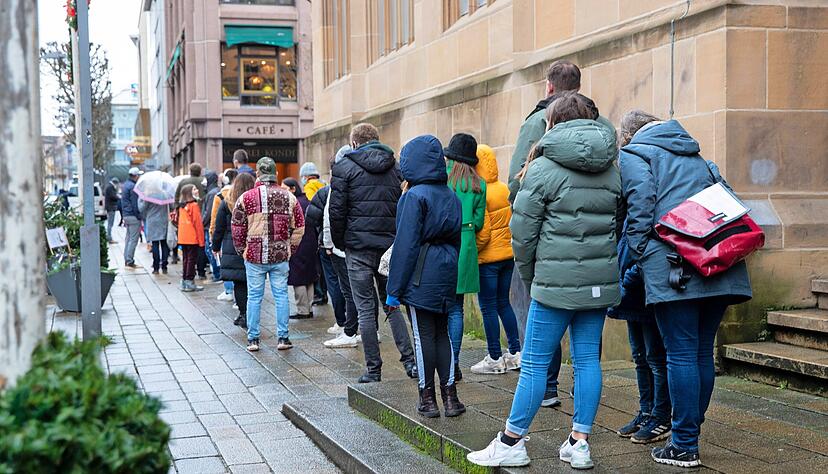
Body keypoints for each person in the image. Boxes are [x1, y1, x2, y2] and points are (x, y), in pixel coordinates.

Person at [468, 92, 621, 469]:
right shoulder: (612, 167)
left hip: (554, 281)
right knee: (587, 361)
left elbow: (522, 233)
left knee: (535, 364)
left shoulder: (541, 167)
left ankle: (511, 441)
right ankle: (579, 442)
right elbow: (618, 222)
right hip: (598, 282)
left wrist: (532, 277)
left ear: (552, 123)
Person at [618, 110, 752, 468]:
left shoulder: (634, 155)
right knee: (700, 353)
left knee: (680, 353)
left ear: (628, 136)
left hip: (675, 269)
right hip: (721, 266)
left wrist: (642, 253)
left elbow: (639, 208)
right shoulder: (696, 157)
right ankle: (688, 432)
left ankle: (684, 443)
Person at [329, 123, 417, 383]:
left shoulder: (344, 168)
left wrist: (341, 243)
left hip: (357, 247)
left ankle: (373, 369)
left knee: (365, 309)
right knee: (391, 305)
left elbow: (337, 211)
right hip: (389, 246)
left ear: (354, 143)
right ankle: (410, 362)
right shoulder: (397, 168)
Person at [386, 135, 463, 418]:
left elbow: (405, 247)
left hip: (421, 272)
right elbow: (457, 240)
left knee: (422, 336)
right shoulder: (451, 195)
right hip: (446, 270)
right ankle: (451, 398)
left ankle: (427, 398)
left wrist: (394, 290)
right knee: (443, 335)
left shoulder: (413, 197)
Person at [232, 157, 305, 353]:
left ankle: (253, 340)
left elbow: (237, 227)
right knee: (281, 295)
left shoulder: (245, 198)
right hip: (280, 255)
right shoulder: (289, 197)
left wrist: (242, 250)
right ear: (276, 174)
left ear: (258, 174)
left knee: (254, 296)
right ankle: (283, 337)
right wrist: (291, 248)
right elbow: (299, 226)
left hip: (254, 256)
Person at [608, 221, 671, 444]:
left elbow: (653, 244)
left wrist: (630, 276)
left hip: (645, 288)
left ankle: (661, 417)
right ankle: (646, 413)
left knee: (655, 358)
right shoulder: (634, 197)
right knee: (640, 357)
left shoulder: (650, 194)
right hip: (630, 293)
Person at [470, 145, 521, 375]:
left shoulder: (480, 191)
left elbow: (484, 233)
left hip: (488, 259)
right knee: (504, 303)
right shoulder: (503, 188)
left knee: (488, 307)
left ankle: (494, 357)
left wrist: (476, 253)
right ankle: (515, 353)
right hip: (507, 256)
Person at [444, 133, 486, 381]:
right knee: (457, 308)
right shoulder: (479, 184)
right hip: (467, 243)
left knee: (442, 307)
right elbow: (479, 222)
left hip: (444, 241)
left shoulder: (443, 177)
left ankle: (441, 360)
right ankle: (455, 362)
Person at [305, 149, 355, 343]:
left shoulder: (330, 189)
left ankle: (345, 325)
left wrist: (327, 243)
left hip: (336, 245)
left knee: (341, 286)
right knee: (363, 290)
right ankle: (368, 329)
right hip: (362, 242)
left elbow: (322, 218)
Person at [212, 172, 255, 329]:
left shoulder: (227, 202)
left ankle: (243, 314)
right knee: (253, 283)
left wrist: (215, 246)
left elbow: (219, 228)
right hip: (252, 245)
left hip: (232, 247)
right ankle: (252, 314)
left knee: (239, 283)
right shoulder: (254, 202)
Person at [283, 177, 320, 320]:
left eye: (285, 188)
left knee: (298, 277)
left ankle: (302, 309)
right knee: (309, 276)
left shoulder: (293, 203)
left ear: (292, 188)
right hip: (311, 243)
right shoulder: (307, 201)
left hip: (298, 243)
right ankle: (309, 307)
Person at [300, 162, 328, 306]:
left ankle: (320, 294)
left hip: (316, 228)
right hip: (326, 226)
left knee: (317, 264)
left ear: (305, 176)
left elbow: (311, 205)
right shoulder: (322, 184)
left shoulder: (309, 187)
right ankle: (324, 293)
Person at [211, 168, 239, 302]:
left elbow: (215, 219)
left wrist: (213, 237)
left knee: (227, 264)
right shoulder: (243, 194)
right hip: (241, 237)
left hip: (226, 238)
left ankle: (228, 291)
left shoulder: (220, 196)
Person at [177, 184, 205, 292]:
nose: (197, 190)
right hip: (192, 237)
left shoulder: (182, 206)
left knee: (186, 259)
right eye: (194, 189)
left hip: (183, 237)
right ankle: (189, 281)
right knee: (191, 260)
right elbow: (198, 224)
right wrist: (201, 241)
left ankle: (184, 281)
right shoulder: (193, 205)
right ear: (189, 193)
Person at [138, 196, 171, 275]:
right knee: (164, 244)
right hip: (164, 220)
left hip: (152, 221)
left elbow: (141, 208)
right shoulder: (164, 194)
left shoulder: (149, 195)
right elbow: (172, 206)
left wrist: (141, 199)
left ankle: (156, 267)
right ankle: (164, 266)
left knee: (155, 244)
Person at [121, 167, 144, 268]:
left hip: (126, 215)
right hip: (133, 216)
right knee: (133, 239)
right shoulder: (133, 187)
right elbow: (135, 204)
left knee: (128, 238)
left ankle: (127, 259)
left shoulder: (126, 185)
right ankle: (130, 260)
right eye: (138, 175)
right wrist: (139, 216)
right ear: (135, 176)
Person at [202, 171, 221, 282]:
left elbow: (208, 212)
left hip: (209, 226)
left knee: (210, 250)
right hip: (212, 225)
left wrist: (202, 222)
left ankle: (217, 274)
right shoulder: (215, 191)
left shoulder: (211, 193)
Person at [104, 177, 120, 243]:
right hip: (111, 207)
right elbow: (113, 196)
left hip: (110, 207)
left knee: (110, 223)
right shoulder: (110, 187)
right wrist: (118, 197)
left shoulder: (109, 187)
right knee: (110, 223)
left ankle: (109, 237)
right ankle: (109, 238)